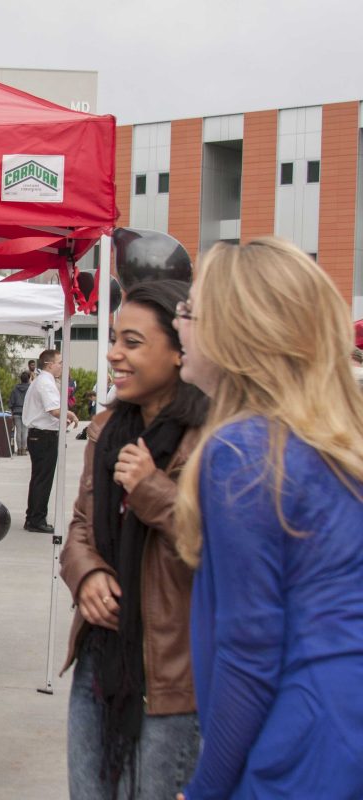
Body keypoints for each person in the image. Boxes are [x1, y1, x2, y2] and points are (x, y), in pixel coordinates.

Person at [173, 238, 363, 800]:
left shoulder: (245, 452)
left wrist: (204, 788)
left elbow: (248, 651)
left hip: (303, 739)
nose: (179, 324)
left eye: (190, 310)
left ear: (238, 332)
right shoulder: (332, 445)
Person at [60, 280, 207, 799]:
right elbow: (79, 526)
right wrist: (88, 574)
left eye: (133, 342)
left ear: (178, 351)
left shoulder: (212, 437)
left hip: (170, 672)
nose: (114, 354)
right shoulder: (106, 429)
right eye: (115, 339)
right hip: (101, 657)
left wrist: (151, 489)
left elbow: (215, 548)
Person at [22, 349, 79, 532]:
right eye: (60, 362)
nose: (62, 366)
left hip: (41, 435)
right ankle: (36, 519)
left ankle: (33, 516)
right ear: (49, 364)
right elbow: (54, 410)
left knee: (39, 478)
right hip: (44, 435)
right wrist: (70, 414)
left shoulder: (44, 381)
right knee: (43, 479)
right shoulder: (45, 382)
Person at [9, 370, 32, 455]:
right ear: (29, 379)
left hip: (16, 412)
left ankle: (19, 449)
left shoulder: (15, 389)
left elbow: (11, 402)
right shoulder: (30, 388)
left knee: (18, 431)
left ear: (20, 379)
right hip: (26, 412)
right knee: (25, 431)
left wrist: (12, 412)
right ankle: (23, 449)